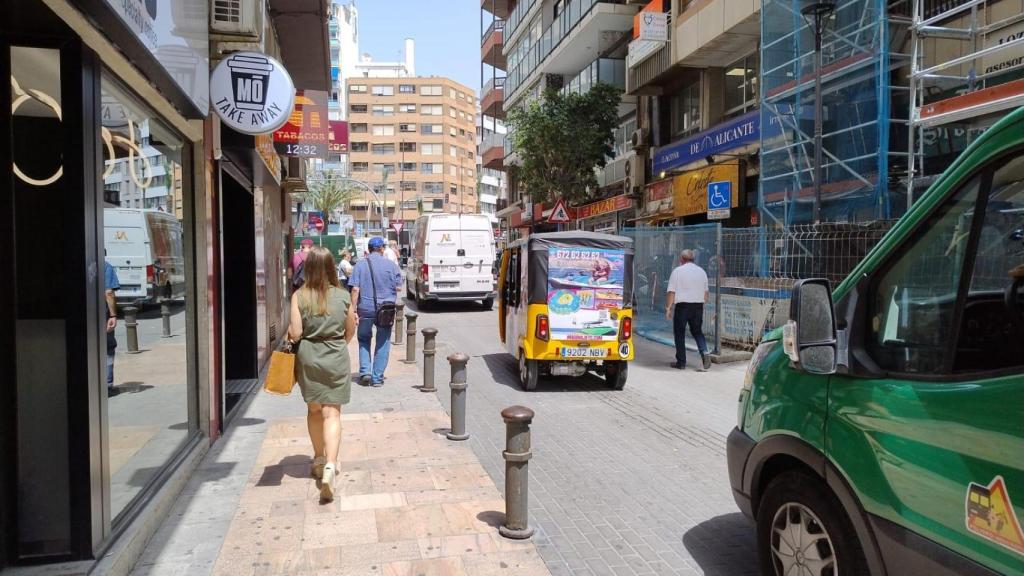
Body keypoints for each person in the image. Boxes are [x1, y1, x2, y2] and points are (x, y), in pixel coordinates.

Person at [287, 246, 356, 501]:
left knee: (314, 410)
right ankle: (331, 465)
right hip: (335, 354)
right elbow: (350, 329)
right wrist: (337, 344)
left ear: (308, 268)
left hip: (309, 356)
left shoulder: (299, 296)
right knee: (332, 413)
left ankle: (318, 459)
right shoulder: (343, 295)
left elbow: (295, 333)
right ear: (330, 267)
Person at [349, 237, 402, 387]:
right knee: (383, 341)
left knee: (364, 338)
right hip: (385, 309)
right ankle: (377, 378)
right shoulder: (391, 265)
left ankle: (365, 372)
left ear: (369, 249)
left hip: (365, 309)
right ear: (382, 249)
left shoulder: (360, 265)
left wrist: (353, 310)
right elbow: (399, 287)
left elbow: (355, 289)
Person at [665, 249, 712, 371]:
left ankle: (681, 362)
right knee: (697, 331)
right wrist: (700, 303)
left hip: (683, 307)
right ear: (693, 259)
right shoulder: (702, 272)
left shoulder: (677, 271)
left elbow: (671, 292)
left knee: (679, 333)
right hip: (698, 305)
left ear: (681, 259)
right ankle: (704, 352)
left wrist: (668, 308)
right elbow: (706, 294)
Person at [104, 256, 120, 395]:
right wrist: (113, 315)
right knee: (108, 348)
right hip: (101, 315)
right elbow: (109, 292)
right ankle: (107, 385)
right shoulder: (105, 266)